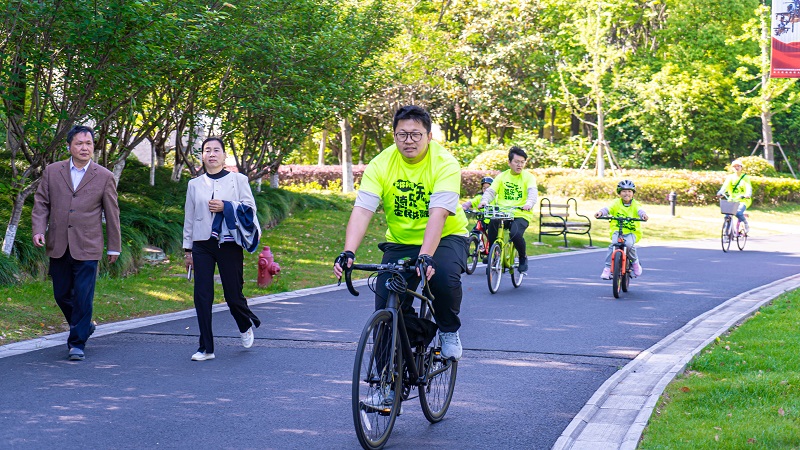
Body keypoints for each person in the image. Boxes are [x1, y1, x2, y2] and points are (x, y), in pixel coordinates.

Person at [332, 105, 469, 367]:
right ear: (394, 136)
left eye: (416, 134)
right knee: (387, 308)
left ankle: (448, 330)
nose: (409, 140)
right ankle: (385, 385)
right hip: (401, 240)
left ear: (429, 136)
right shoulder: (381, 163)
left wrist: (427, 255)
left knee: (442, 278)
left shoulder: (445, 163)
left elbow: (439, 214)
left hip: (447, 237)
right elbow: (362, 210)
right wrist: (348, 251)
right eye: (402, 134)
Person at [32, 125, 122, 361]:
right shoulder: (53, 171)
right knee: (62, 294)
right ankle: (84, 324)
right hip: (59, 243)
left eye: (89, 143)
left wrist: (114, 246)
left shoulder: (104, 176)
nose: (85, 147)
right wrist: (39, 230)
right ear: (70, 146)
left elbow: (112, 213)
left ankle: (77, 343)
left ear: (94, 146)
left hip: (88, 246)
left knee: (83, 295)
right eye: (79, 143)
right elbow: (41, 203)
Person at [183, 137, 262, 361]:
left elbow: (250, 210)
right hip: (202, 244)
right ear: (202, 156)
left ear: (224, 155)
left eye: (216, 150)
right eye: (207, 150)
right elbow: (189, 217)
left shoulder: (239, 180)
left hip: (229, 243)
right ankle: (205, 348)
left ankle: (244, 324)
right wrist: (187, 250)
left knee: (233, 295)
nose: (211, 154)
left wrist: (226, 206)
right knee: (202, 295)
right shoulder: (194, 184)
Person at [478, 146, 537, 273]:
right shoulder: (501, 177)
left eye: (522, 162)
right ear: (509, 162)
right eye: (516, 162)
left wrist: (529, 203)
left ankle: (522, 257)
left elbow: (532, 193)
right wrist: (484, 201)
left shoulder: (528, 177)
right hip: (503, 212)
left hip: (521, 213)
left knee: (515, 234)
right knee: (493, 222)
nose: (519, 165)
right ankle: (494, 253)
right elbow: (491, 191)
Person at [594, 180, 649, 280]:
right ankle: (607, 268)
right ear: (619, 193)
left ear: (633, 193)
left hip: (632, 232)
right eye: (623, 191)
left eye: (629, 191)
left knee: (628, 245)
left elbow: (640, 211)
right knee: (614, 244)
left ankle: (635, 263)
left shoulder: (635, 204)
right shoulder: (616, 203)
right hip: (617, 230)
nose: (626, 193)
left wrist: (643, 215)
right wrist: (600, 213)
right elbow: (608, 209)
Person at [716, 159, 752, 234]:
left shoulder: (745, 177)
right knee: (727, 216)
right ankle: (726, 233)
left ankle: (745, 224)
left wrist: (747, 194)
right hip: (732, 200)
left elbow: (749, 187)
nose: (736, 168)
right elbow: (724, 187)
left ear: (741, 167)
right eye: (734, 166)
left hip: (743, 200)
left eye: (738, 166)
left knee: (738, 213)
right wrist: (720, 193)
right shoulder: (730, 177)